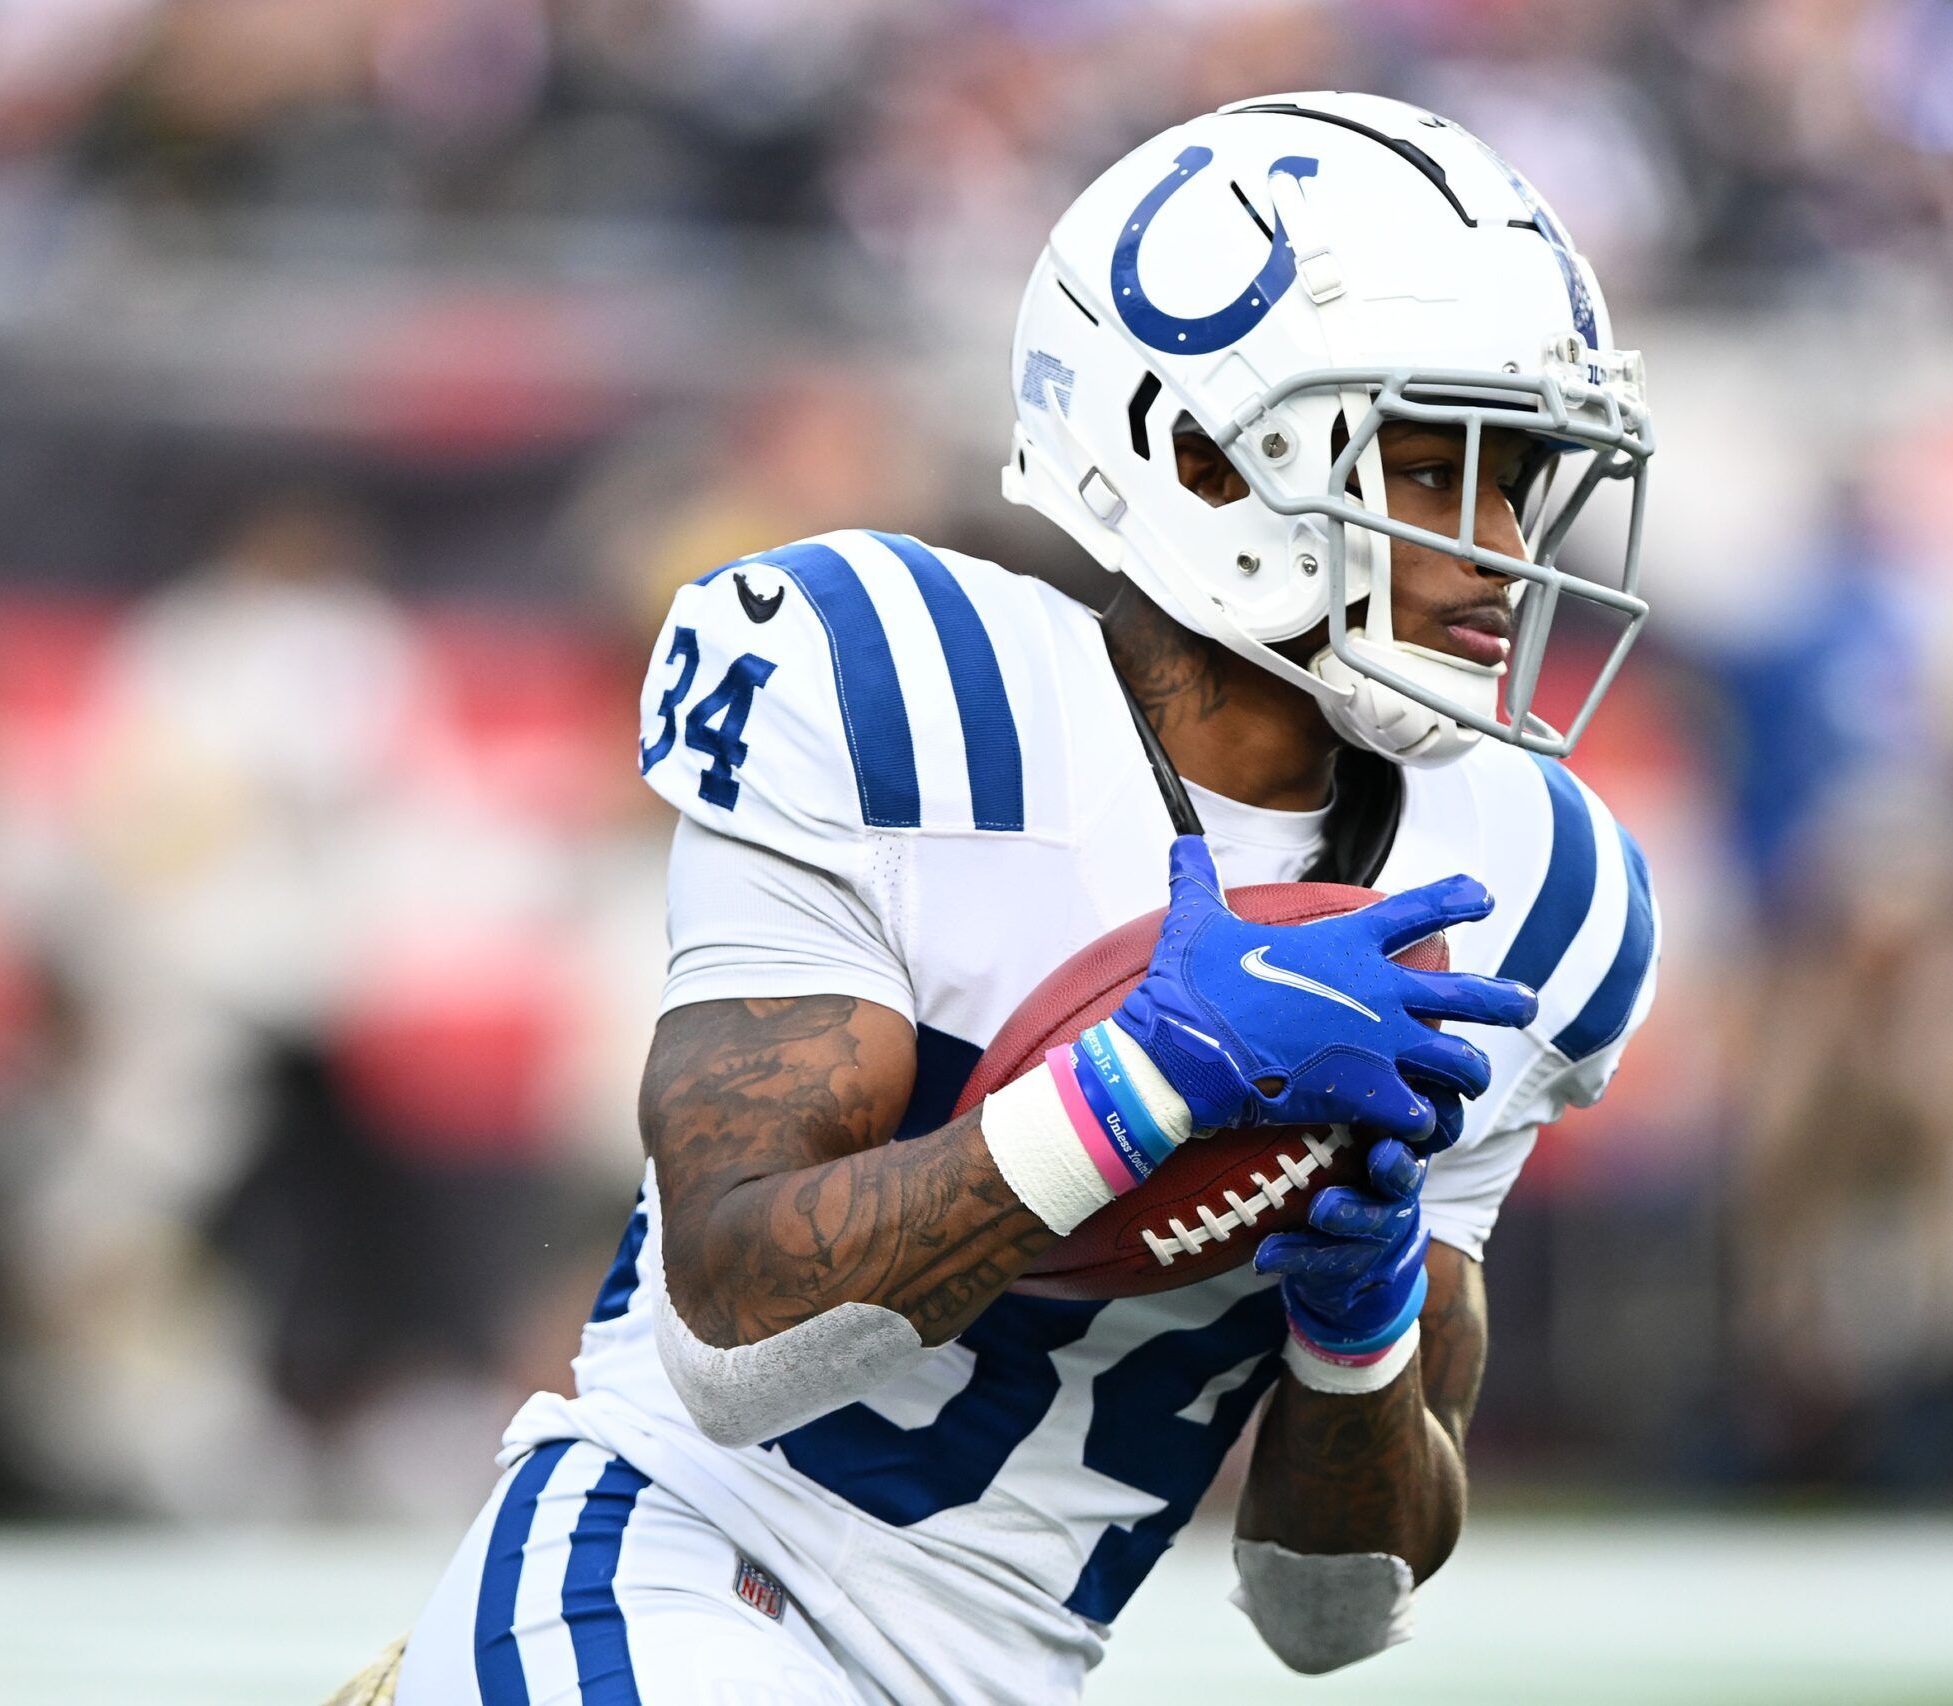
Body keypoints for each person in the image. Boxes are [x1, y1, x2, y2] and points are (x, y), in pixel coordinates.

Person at [390, 92, 1659, 1703]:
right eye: (1435, 470)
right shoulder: (896, 686)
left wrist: (1365, 1324)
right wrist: (1139, 1087)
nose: (1499, 555)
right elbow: (732, 1344)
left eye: (1522, 482)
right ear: (1204, 456)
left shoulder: (1538, 884)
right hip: (669, 1581)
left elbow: (1326, 1613)